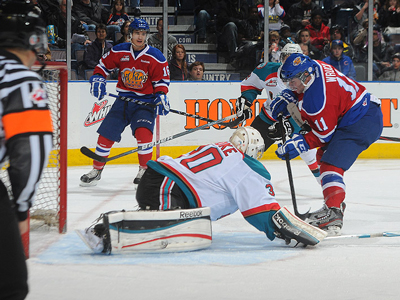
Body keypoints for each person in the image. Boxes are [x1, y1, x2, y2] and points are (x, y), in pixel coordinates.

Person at [77, 127, 327, 254]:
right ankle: (103, 231)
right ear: (253, 150)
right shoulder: (243, 167)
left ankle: (115, 228)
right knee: (167, 228)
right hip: (168, 185)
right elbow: (262, 211)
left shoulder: (222, 148)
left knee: (173, 225)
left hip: (158, 183)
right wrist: (286, 232)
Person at [270, 53, 383, 235]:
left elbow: (324, 136)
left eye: (293, 81)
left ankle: (333, 213)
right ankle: (333, 204)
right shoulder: (315, 66)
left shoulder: (317, 101)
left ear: (305, 76)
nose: (290, 85)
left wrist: (298, 145)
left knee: (331, 165)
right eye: (288, 82)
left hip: (362, 120)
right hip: (359, 112)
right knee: (323, 158)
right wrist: (290, 95)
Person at [0, 0, 53, 298]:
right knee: (10, 284)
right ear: (30, 38)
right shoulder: (21, 78)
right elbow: (31, 147)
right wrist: (21, 208)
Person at [80, 18, 170, 186]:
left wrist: (161, 95)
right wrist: (98, 77)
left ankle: (144, 169)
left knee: (144, 134)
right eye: (137, 33)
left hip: (145, 103)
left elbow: (162, 81)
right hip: (123, 101)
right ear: (130, 34)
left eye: (143, 34)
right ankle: (97, 170)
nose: (140, 37)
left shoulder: (155, 57)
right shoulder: (119, 51)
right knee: (106, 135)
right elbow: (102, 66)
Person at [235, 43, 320, 182]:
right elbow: (250, 84)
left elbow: (308, 109)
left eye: (293, 58)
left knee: (308, 152)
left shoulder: (308, 79)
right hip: (268, 118)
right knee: (247, 146)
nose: (288, 61)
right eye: (285, 57)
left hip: (296, 121)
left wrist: (291, 126)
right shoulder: (267, 70)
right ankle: (238, 183)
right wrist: (246, 101)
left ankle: (324, 184)